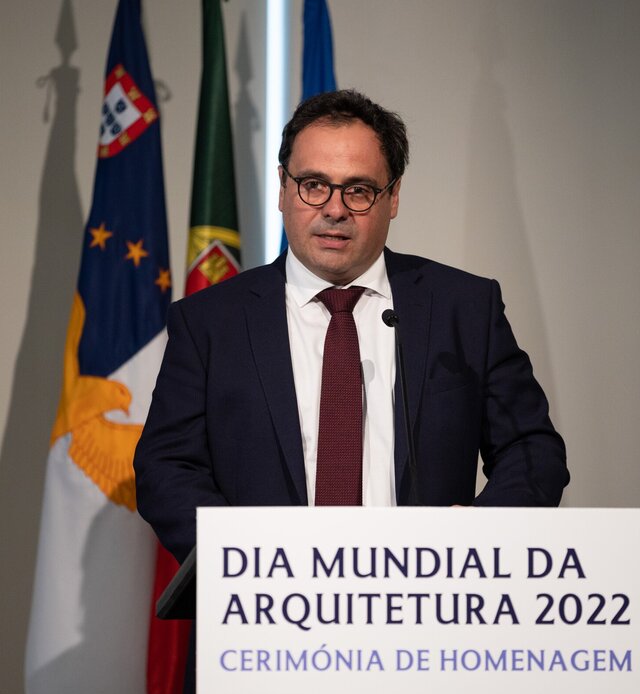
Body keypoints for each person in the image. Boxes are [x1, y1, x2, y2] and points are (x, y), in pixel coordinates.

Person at [134, 89, 569, 567]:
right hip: (265, 596)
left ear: (393, 197)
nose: (334, 209)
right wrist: (243, 559)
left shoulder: (464, 308)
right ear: (282, 187)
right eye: (313, 185)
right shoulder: (209, 322)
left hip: (426, 595)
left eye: (359, 190)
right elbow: (166, 467)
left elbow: (532, 449)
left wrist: (479, 540)